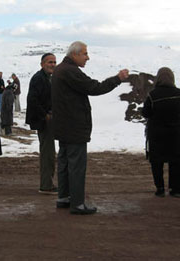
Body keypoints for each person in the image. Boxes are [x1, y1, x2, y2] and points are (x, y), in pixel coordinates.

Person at [51, 41, 129, 215]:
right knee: (76, 166)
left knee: (64, 163)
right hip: (74, 127)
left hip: (64, 126)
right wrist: (117, 79)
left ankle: (64, 198)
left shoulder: (61, 70)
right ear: (75, 54)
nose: (88, 57)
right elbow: (95, 87)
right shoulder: (70, 71)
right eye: (85, 54)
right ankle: (77, 203)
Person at [141, 67, 180, 198]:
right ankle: (175, 189)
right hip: (175, 132)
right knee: (175, 161)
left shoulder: (153, 94)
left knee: (156, 162)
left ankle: (160, 188)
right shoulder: (179, 93)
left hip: (156, 133)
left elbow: (146, 112)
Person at [26, 53, 57, 195]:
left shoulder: (48, 78)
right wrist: (45, 115)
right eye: (49, 62)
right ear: (42, 64)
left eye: (54, 62)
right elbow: (32, 100)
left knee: (50, 153)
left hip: (48, 120)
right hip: (44, 122)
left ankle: (48, 183)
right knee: (47, 153)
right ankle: (45, 186)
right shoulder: (38, 78)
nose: (52, 65)